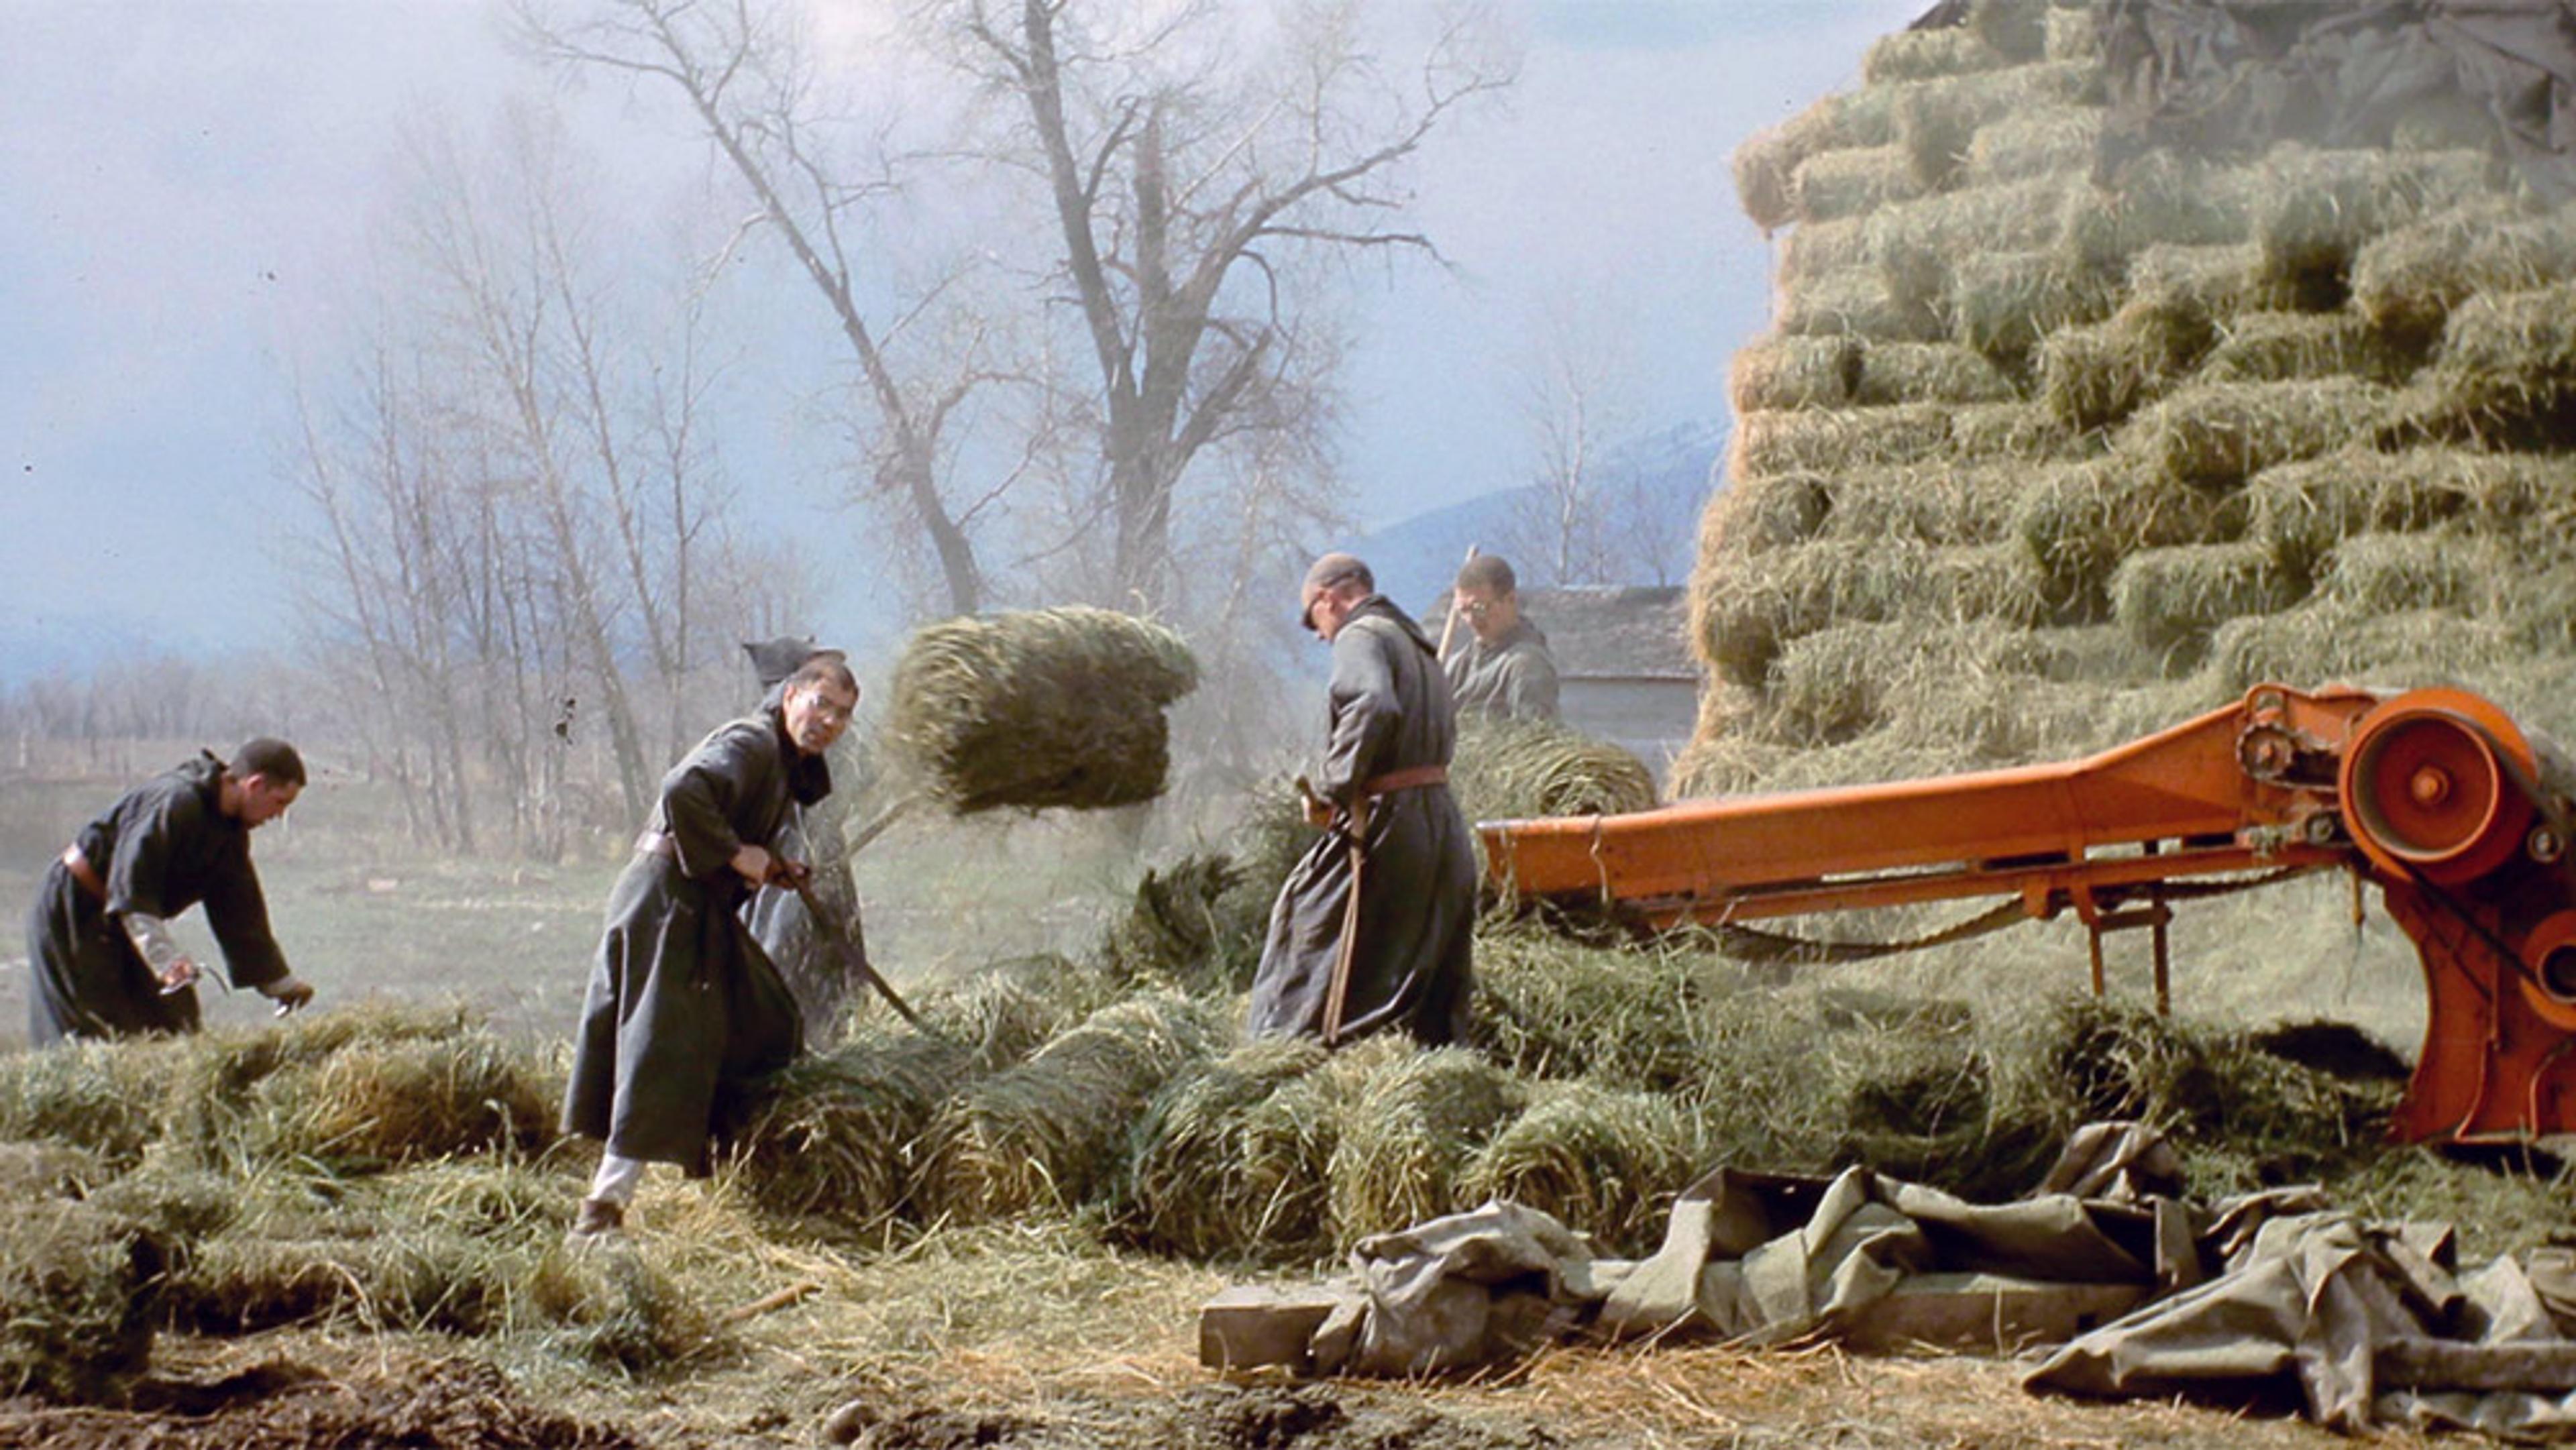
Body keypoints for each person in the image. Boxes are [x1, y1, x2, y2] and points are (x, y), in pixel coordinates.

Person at [562, 654, 861, 1237]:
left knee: (768, 1020)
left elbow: (726, 826)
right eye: (820, 703)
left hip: (694, 903)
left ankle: (739, 1170)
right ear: (791, 696)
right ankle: (600, 1214)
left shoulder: (780, 759)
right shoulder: (752, 742)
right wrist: (735, 854)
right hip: (668, 903)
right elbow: (684, 789)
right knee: (659, 1048)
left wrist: (770, 866)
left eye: (842, 715)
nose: (828, 721)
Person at [1246, 553, 1478, 1047]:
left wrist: (1333, 788)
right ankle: (1418, 1065)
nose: (1319, 635)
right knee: (1419, 970)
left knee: (1305, 919)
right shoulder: (1418, 646)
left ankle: (1282, 1054)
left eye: (1313, 620)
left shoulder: (1362, 635)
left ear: (1329, 599)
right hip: (1442, 826)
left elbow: (1372, 702)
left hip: (1390, 823)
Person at [24, 738, 317, 1044]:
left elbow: (240, 915)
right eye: (279, 802)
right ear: (255, 785)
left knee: (172, 1023)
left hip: (123, 921)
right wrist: (164, 961)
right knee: (90, 1034)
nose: (278, 815)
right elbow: (133, 886)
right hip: (76, 910)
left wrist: (281, 985)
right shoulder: (177, 802)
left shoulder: (230, 833)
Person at [1442, 553, 1561, 723]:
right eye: (1464, 610)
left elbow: (1535, 733)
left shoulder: (1527, 666)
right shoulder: (1457, 665)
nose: (1471, 619)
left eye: (1479, 608)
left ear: (1510, 600)